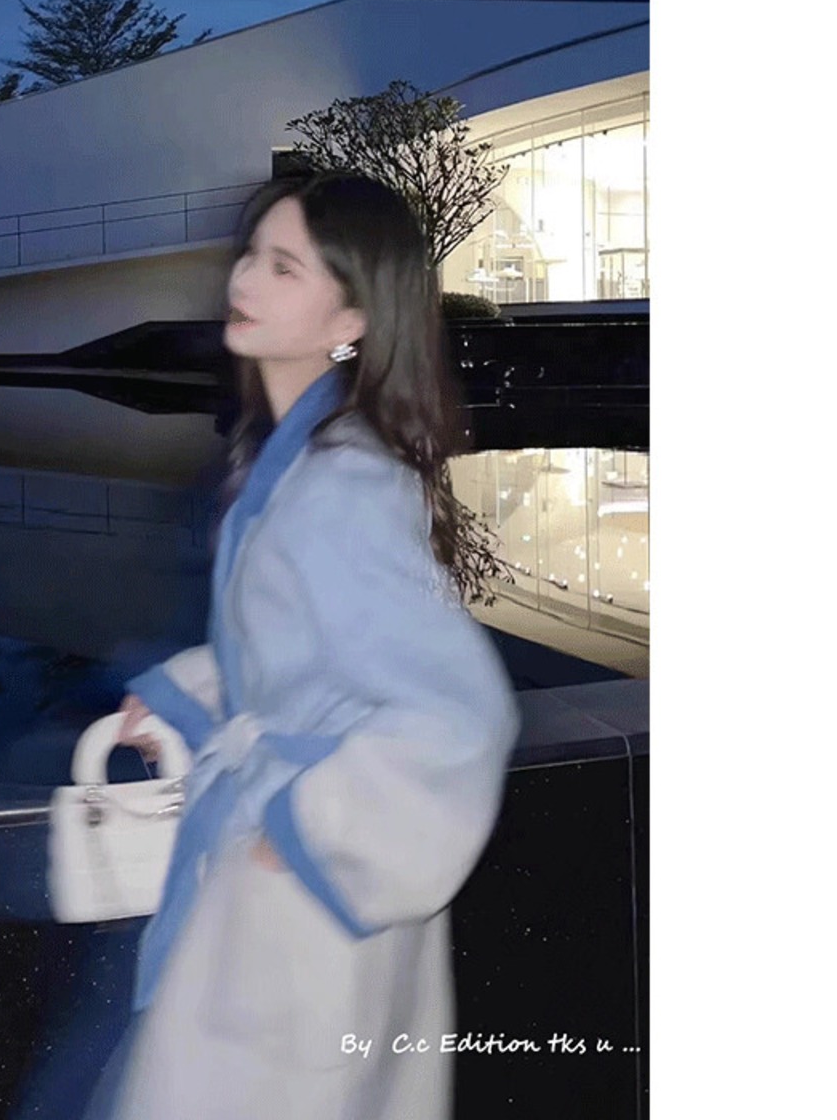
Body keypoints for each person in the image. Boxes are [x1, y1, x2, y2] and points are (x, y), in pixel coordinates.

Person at [81, 172, 521, 1120]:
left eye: (284, 268)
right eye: (251, 255)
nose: (245, 279)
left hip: (300, 924)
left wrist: (309, 827)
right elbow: (315, 650)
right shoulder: (304, 457)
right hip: (288, 916)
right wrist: (193, 690)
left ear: (351, 317)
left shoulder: (343, 483)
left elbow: (458, 714)